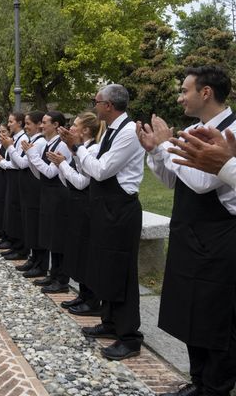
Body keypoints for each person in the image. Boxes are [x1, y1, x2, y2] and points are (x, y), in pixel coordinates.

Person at [138, 65, 236, 396]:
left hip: (218, 239)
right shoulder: (194, 130)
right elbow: (172, 180)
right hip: (189, 235)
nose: (180, 97)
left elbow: (200, 183)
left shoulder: (231, 132)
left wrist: (166, 145)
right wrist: (155, 150)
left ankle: (216, 387)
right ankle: (198, 381)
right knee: (190, 314)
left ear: (205, 92)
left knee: (216, 318)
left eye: (185, 90)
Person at [59, 83, 144, 361]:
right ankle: (110, 322)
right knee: (104, 266)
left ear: (108, 105)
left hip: (120, 209)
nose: (94, 106)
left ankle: (129, 336)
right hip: (104, 207)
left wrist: (77, 148)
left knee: (121, 271)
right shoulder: (110, 130)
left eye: (96, 101)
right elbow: (90, 167)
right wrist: (77, 152)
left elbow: (103, 170)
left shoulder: (129, 132)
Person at [47, 112, 103, 316]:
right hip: (76, 204)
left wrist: (61, 164)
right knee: (77, 250)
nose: (70, 129)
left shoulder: (93, 149)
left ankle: (91, 299)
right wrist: (61, 164)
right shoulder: (81, 150)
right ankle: (83, 294)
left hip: (86, 206)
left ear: (86, 130)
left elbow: (82, 182)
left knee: (85, 252)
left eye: (75, 125)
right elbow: (70, 180)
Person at [25, 111, 72, 294]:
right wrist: (31, 157)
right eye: (42, 122)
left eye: (45, 123)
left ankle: (61, 279)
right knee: (50, 236)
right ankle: (53, 274)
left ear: (56, 124)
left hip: (59, 196)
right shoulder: (49, 144)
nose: (42, 126)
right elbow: (40, 173)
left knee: (58, 238)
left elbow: (51, 172)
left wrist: (32, 155)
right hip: (47, 193)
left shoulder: (62, 145)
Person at [8, 110, 45, 275]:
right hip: (27, 186)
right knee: (29, 223)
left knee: (35, 225)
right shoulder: (30, 140)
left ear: (38, 125)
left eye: (29, 124)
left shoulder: (39, 142)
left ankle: (40, 263)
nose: (26, 126)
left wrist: (10, 147)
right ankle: (33, 258)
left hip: (34, 187)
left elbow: (23, 163)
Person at [0, 112, 28, 261]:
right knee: (10, 209)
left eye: (11, 122)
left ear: (19, 123)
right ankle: (13, 243)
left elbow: (19, 164)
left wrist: (1, 160)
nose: (9, 124)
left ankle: (19, 247)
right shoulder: (14, 139)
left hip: (17, 177)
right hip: (10, 176)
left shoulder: (22, 139)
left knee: (16, 211)